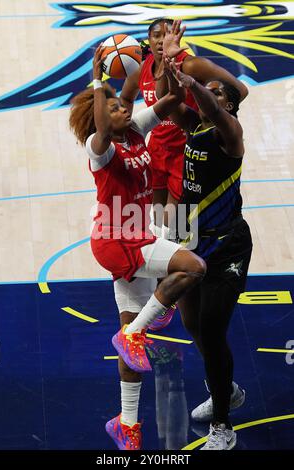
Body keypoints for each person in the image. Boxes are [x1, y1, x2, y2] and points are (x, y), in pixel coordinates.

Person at [69, 40, 206, 451]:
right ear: (99, 119)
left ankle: (127, 425)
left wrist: (164, 61)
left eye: (122, 105)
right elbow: (103, 123)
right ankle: (137, 329)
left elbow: (174, 99)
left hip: (135, 238)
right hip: (116, 241)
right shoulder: (101, 149)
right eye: (113, 108)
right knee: (194, 267)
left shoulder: (136, 128)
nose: (123, 108)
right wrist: (96, 80)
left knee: (133, 349)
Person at [120, 17, 248, 330]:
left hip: (184, 152)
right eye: (156, 35)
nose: (161, 39)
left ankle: (172, 291)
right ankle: (164, 284)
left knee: (177, 226)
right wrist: (126, 122)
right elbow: (129, 97)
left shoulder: (193, 65)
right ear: (148, 41)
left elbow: (239, 91)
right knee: (157, 221)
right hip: (157, 151)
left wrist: (208, 116)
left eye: (167, 34)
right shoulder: (145, 68)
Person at [156, 51, 252, 449]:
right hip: (191, 238)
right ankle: (224, 387)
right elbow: (166, 105)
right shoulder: (195, 126)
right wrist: (166, 69)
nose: (204, 97)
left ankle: (223, 425)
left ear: (228, 104)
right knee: (192, 324)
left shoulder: (231, 134)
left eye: (214, 94)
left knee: (212, 330)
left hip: (228, 243)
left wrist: (195, 82)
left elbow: (208, 100)